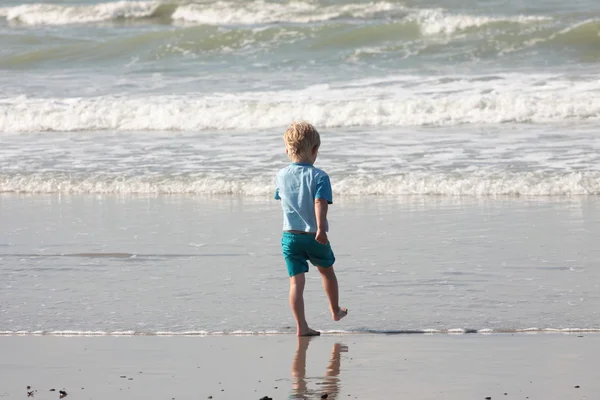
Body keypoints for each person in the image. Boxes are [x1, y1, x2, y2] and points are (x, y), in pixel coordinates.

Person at [274, 121, 348, 337]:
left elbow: (281, 197)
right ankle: (335, 311)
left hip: (289, 237)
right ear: (315, 150)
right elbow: (319, 202)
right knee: (327, 273)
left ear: (287, 150)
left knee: (296, 282)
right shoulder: (320, 176)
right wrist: (320, 229)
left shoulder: (280, 175)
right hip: (314, 236)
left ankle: (301, 327)